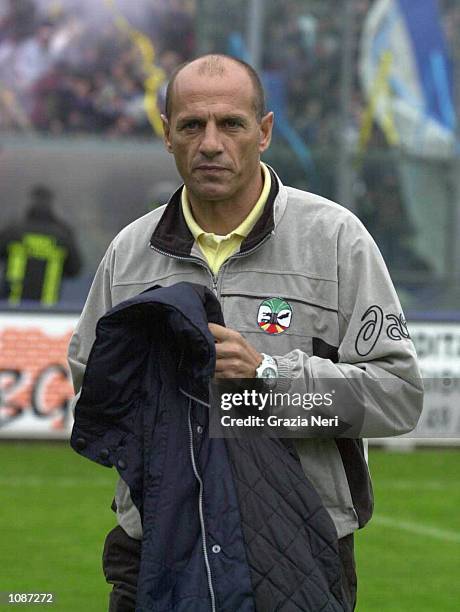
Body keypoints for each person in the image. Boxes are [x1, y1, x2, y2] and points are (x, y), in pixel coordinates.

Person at [68, 54, 423, 611]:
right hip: (157, 548)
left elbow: (398, 397)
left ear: (264, 132)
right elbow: (94, 394)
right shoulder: (129, 254)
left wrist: (267, 378)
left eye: (230, 124)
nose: (211, 143)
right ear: (167, 136)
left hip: (296, 551)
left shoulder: (334, 240)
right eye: (192, 125)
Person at [0, 184, 82, 305]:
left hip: (11, 309)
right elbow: (75, 269)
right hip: (47, 311)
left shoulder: (13, 231)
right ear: (52, 205)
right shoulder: (63, 235)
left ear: (30, 203)